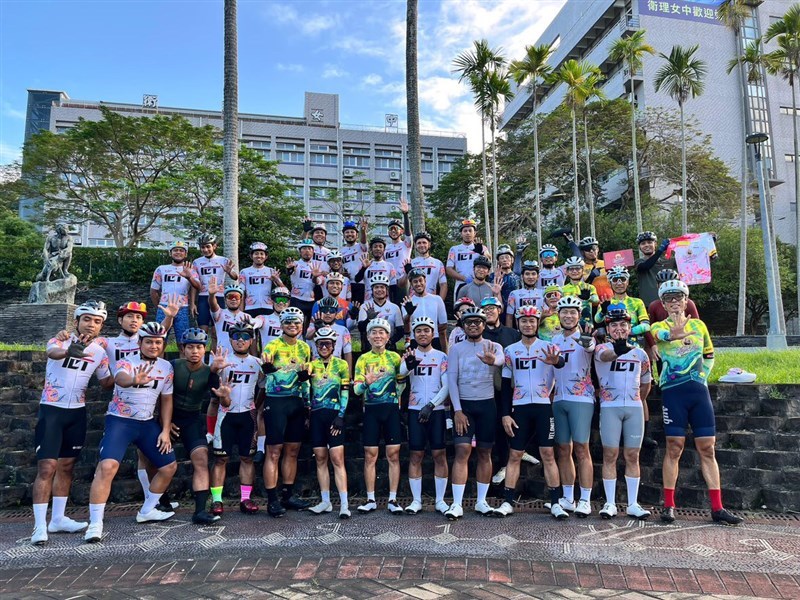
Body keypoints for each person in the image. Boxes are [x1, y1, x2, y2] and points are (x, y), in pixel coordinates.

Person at [651, 280, 743, 525]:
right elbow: (657, 336)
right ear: (663, 303)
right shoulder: (658, 327)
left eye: (678, 298)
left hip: (698, 393)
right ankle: (669, 506)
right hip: (673, 392)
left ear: (686, 300)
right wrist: (673, 334)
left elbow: (709, 354)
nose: (674, 302)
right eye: (669, 299)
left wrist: (703, 376)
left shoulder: (699, 325)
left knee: (707, 448)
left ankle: (717, 508)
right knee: (674, 448)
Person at [85, 322, 178, 543]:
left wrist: (165, 430)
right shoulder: (127, 361)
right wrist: (134, 380)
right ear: (140, 343)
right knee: (107, 466)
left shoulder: (166, 367)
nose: (153, 346)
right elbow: (120, 378)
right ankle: (95, 523)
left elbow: (166, 400)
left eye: (158, 342)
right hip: (121, 421)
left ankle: (147, 510)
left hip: (146, 423)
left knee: (168, 467)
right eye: (149, 342)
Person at [30, 301, 114, 545]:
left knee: (67, 467)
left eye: (97, 321)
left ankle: (58, 519)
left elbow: (106, 381)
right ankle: (39, 526)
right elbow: (52, 353)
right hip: (52, 412)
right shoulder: (60, 340)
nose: (91, 324)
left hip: (76, 413)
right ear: (76, 321)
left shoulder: (100, 351)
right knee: (46, 468)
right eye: (87, 319)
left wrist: (130, 377)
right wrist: (69, 351)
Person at [497, 306, 568, 519]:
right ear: (518, 323)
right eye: (524, 321)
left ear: (538, 323)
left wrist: (556, 361)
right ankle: (508, 501)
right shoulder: (510, 351)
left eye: (532, 321)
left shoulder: (548, 347)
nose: (528, 324)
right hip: (519, 408)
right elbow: (506, 384)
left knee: (548, 454)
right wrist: (505, 414)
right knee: (515, 454)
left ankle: (556, 502)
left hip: (543, 406)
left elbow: (561, 363)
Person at [445, 306, 504, 519]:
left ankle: (481, 501)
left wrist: (492, 361)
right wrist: (457, 410)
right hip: (465, 407)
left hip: (487, 405)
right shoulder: (456, 349)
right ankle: (457, 504)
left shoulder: (493, 345)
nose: (473, 325)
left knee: (485, 453)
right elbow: (451, 379)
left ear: (483, 324)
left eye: (477, 322)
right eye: (468, 322)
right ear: (463, 325)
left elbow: (501, 360)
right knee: (462, 451)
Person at [594, 305, 652, 520]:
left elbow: (646, 383)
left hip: (634, 408)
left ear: (629, 328)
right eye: (614, 325)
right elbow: (607, 356)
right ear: (608, 329)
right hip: (610, 408)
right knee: (610, 455)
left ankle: (633, 504)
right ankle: (609, 503)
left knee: (633, 455)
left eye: (623, 325)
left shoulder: (640, 353)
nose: (619, 329)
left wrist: (639, 400)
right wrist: (618, 350)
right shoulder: (601, 349)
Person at [171, 329, 231, 524]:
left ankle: (200, 510)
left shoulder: (208, 371)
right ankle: (159, 500)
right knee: (151, 458)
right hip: (169, 417)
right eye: (190, 347)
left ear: (204, 349)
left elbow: (223, 404)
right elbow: (159, 396)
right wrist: (166, 423)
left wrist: (224, 395)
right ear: (183, 349)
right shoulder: (173, 366)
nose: (194, 351)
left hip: (192, 419)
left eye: (199, 347)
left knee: (201, 458)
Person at [595, 266, 657, 449]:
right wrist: (602, 310)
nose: (619, 283)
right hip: (610, 347)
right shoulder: (606, 300)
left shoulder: (637, 302)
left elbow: (646, 324)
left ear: (628, 281)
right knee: (608, 386)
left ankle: (643, 432)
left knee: (637, 390)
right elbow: (598, 322)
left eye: (622, 279)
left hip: (633, 347)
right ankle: (607, 434)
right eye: (615, 280)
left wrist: (629, 333)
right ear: (611, 282)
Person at [260, 306, 313, 517]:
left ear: (302, 326)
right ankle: (272, 500)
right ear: (281, 325)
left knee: (293, 450)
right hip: (277, 401)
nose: (292, 326)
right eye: (288, 322)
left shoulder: (305, 348)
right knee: (274, 451)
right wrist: (270, 370)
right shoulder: (272, 345)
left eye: (296, 323)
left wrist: (307, 403)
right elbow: (264, 370)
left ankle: (287, 495)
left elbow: (305, 377)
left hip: (297, 402)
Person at [353, 318, 406, 514]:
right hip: (372, 410)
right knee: (370, 455)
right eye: (373, 333)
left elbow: (402, 384)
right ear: (367, 337)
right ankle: (370, 499)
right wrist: (367, 383)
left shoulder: (395, 357)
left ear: (388, 336)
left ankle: (392, 499)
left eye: (381, 332)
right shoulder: (363, 359)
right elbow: (357, 390)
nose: (377, 336)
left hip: (391, 409)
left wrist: (396, 398)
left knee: (393, 455)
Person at [210, 323, 262, 516]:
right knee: (221, 458)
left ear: (251, 340)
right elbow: (212, 389)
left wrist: (256, 405)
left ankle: (245, 499)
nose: (240, 340)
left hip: (248, 414)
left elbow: (264, 387)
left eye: (245, 336)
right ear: (230, 339)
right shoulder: (222, 361)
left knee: (247, 458)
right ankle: (216, 501)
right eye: (236, 336)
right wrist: (214, 370)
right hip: (226, 415)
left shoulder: (257, 363)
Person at [551, 295, 596, 518]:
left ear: (579, 315)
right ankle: (568, 497)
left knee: (581, 448)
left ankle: (585, 499)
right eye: (564, 312)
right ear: (558, 315)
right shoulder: (554, 341)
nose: (568, 316)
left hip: (582, 399)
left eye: (572, 312)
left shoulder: (585, 337)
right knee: (563, 449)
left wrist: (588, 340)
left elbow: (590, 348)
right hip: (559, 399)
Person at [400, 317, 450, 515]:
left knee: (439, 454)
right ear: (414, 334)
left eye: (426, 330)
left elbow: (446, 386)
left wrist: (431, 405)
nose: (422, 334)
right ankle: (416, 500)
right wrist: (409, 365)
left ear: (433, 334)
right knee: (416, 455)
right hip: (414, 409)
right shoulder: (409, 354)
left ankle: (439, 500)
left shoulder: (441, 357)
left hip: (435, 411)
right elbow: (401, 375)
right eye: (418, 331)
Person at [306, 327, 352, 519]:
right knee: (320, 458)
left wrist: (341, 415)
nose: (324, 347)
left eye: (327, 344)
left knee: (337, 459)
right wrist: (307, 411)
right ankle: (325, 501)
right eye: (320, 344)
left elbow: (345, 392)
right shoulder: (311, 365)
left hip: (334, 415)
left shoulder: (341, 365)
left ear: (334, 346)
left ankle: (344, 504)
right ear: (316, 346)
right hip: (316, 416)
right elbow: (305, 390)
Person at [150, 241, 201, 344]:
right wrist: (160, 307)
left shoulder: (191, 269)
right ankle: (159, 360)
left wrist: (189, 277)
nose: (178, 252)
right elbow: (153, 291)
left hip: (183, 308)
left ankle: (182, 360)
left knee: (183, 343)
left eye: (181, 250)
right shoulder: (161, 269)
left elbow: (198, 286)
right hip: (164, 307)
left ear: (185, 254)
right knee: (160, 340)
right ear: (170, 253)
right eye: (175, 250)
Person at [191, 233, 238, 332]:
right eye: (202, 247)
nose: (205, 250)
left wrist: (229, 271)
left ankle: (216, 348)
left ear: (214, 246)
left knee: (216, 331)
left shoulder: (223, 260)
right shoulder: (196, 262)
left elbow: (235, 277)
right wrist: (192, 303)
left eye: (208, 246)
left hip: (219, 296)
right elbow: (194, 285)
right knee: (202, 330)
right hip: (203, 297)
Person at [401, 268, 449, 351]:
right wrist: (408, 315)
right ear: (411, 284)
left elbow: (443, 325)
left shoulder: (437, 299)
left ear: (425, 281)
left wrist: (445, 350)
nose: (418, 284)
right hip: (415, 339)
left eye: (420, 280)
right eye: (415, 282)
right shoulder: (407, 302)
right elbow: (406, 328)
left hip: (434, 338)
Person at [208, 281, 261, 355]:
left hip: (240, 358)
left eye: (236, 297)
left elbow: (252, 341)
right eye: (230, 297)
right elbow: (213, 305)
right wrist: (211, 295)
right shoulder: (220, 313)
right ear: (225, 299)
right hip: (222, 356)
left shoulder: (247, 317)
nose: (233, 299)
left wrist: (254, 358)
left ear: (241, 299)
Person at [306, 295, 354, 373]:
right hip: (316, 367)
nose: (328, 313)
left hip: (336, 367)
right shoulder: (313, 327)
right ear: (320, 312)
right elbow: (307, 338)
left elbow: (347, 353)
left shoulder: (343, 330)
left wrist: (349, 375)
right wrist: (317, 328)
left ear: (336, 313)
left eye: (331, 311)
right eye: (324, 310)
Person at [446, 218, 492, 299]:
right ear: (461, 233)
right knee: (460, 309)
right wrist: (464, 278)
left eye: (470, 231)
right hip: (460, 284)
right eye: (465, 231)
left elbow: (489, 261)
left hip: (479, 284)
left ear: (475, 233)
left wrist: (481, 252)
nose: (467, 233)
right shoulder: (454, 249)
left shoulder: (481, 247)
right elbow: (449, 269)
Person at [357, 274, 404, 353]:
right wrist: (368, 319)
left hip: (389, 348)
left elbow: (400, 331)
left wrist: (390, 342)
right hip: (369, 349)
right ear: (372, 290)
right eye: (376, 287)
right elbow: (361, 329)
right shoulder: (365, 306)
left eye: (382, 287)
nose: (379, 290)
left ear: (387, 290)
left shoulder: (395, 307)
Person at [286, 239, 325, 328]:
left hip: (311, 300)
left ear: (313, 251)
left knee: (310, 326)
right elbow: (289, 272)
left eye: (309, 249)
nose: (307, 251)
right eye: (304, 249)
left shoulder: (317, 265)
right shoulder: (295, 264)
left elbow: (318, 282)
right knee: (296, 325)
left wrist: (315, 276)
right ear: (300, 251)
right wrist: (289, 269)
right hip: (296, 299)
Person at [239, 242, 284, 317]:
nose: (259, 256)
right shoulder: (244, 272)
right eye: (256, 253)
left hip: (268, 308)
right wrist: (240, 313)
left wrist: (276, 280)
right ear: (251, 256)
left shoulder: (271, 271)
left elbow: (284, 290)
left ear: (266, 256)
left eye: (261, 253)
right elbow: (241, 293)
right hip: (250, 308)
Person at [634, 231, 675, 307]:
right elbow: (646, 266)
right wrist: (660, 250)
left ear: (655, 244)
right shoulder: (639, 262)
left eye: (649, 242)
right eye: (643, 243)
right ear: (639, 247)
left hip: (670, 304)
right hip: (648, 306)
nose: (646, 245)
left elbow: (686, 261)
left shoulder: (667, 261)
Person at [384, 198, 413, 305]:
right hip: (388, 281)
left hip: (403, 280)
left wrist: (405, 214)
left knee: (403, 307)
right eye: (391, 229)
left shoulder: (406, 244)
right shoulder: (386, 247)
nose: (393, 231)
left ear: (401, 231)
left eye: (396, 228)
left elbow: (409, 233)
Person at [404, 231, 448, 301]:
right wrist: (406, 273)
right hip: (414, 300)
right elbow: (402, 285)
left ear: (429, 245)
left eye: (424, 242)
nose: (421, 245)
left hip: (432, 300)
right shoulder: (410, 263)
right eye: (419, 243)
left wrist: (440, 302)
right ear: (415, 245)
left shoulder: (438, 263)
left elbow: (443, 285)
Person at [356, 237, 398, 302]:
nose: (378, 249)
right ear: (371, 249)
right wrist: (364, 268)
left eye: (380, 247)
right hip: (368, 302)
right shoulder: (364, 264)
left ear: (384, 250)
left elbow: (393, 287)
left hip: (385, 302)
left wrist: (394, 303)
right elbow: (357, 280)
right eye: (375, 247)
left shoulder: (389, 266)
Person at [339, 218, 369, 303]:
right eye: (347, 232)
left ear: (356, 235)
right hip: (347, 284)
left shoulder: (361, 246)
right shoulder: (341, 251)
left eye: (352, 232)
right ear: (344, 235)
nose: (350, 234)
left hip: (361, 283)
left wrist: (363, 231)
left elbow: (363, 240)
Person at [506, 261, 543, 328]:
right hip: (521, 330)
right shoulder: (514, 294)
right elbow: (509, 317)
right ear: (522, 276)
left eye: (533, 274)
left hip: (541, 331)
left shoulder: (543, 293)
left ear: (538, 276)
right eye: (527, 274)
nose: (530, 277)